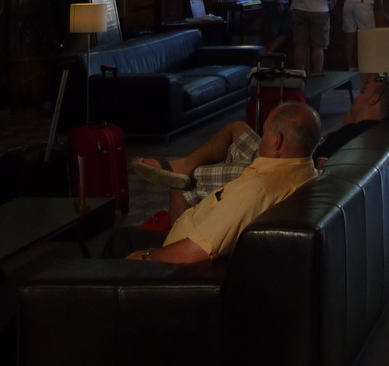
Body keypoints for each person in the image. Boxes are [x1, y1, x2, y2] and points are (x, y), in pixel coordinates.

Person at [133, 82, 389, 222]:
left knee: (182, 184)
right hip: (289, 155)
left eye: (363, 93)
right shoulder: (366, 129)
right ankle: (184, 164)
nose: (357, 97)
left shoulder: (358, 133)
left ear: (374, 100)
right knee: (237, 128)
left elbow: (325, 165)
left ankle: (170, 259)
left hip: (284, 168)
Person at [117, 102, 321, 264]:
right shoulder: (308, 172)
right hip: (189, 238)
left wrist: (147, 257)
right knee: (125, 237)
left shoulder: (256, 190)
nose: (261, 139)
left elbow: (196, 252)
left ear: (276, 142)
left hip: (180, 258)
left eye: (265, 134)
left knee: (120, 242)